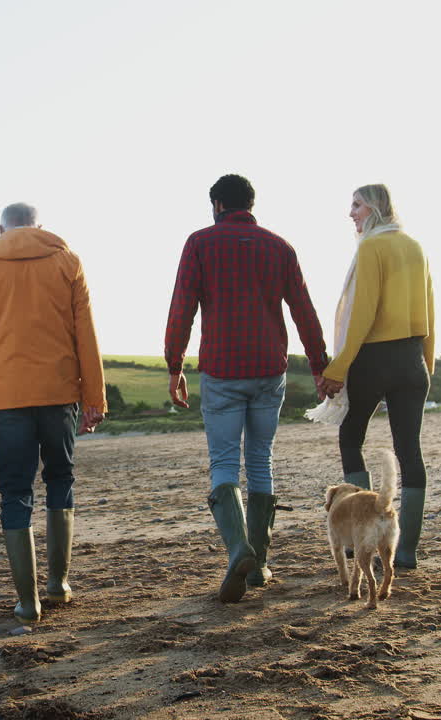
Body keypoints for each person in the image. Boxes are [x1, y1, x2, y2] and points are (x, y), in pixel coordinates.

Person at [164, 174, 330, 602]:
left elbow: (182, 306)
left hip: (221, 369)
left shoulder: (200, 243)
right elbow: (303, 310)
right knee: (260, 460)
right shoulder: (280, 247)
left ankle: (240, 549)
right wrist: (319, 366)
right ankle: (258, 567)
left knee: (223, 461)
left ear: (217, 204)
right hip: (267, 368)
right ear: (251, 205)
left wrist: (174, 364)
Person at [0, 202, 107, 623]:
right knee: (61, 478)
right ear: (39, 226)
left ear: (0, 228)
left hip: (7, 397)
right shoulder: (67, 260)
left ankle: (28, 601)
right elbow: (86, 333)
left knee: (14, 490)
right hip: (59, 392)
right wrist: (95, 397)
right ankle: (58, 584)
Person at [316, 184, 435, 571]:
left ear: (376, 208)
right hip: (412, 360)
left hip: (374, 359)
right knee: (409, 449)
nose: (351, 213)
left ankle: (359, 538)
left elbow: (363, 315)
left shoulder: (371, 248)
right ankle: (406, 553)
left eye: (357, 205)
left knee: (351, 437)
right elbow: (430, 312)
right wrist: (426, 364)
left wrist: (338, 367)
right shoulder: (415, 247)